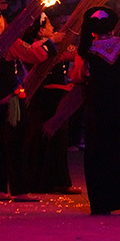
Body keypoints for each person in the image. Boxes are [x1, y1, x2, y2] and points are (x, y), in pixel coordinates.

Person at [0, 2, 60, 202]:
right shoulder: (7, 41)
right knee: (15, 145)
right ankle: (19, 190)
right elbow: (35, 55)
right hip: (10, 102)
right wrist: (51, 42)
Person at [70, 7, 120, 215]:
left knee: (101, 152)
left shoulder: (86, 50)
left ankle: (103, 203)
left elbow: (78, 76)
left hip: (99, 105)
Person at [22, 13, 79, 195]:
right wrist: (53, 41)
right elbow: (38, 55)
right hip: (44, 97)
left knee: (59, 140)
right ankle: (39, 182)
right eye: (49, 26)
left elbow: (75, 53)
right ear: (40, 31)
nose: (53, 28)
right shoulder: (38, 46)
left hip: (57, 97)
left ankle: (58, 181)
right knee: (41, 137)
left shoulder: (56, 44)